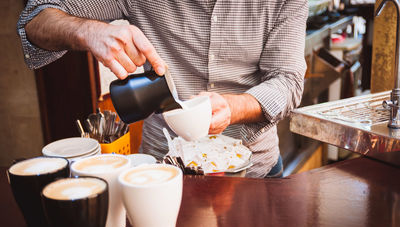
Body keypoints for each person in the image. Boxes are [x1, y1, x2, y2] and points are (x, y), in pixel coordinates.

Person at [17, 1, 307, 178]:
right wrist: (89, 31)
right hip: (163, 173)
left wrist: (233, 108)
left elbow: (288, 81)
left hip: (254, 171)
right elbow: (34, 20)